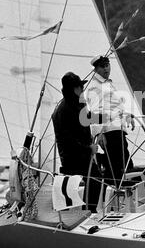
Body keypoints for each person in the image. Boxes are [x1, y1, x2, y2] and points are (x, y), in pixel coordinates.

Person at [52, 72, 103, 213]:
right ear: (75, 89)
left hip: (74, 155)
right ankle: (89, 212)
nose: (83, 90)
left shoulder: (70, 105)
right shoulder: (66, 109)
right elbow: (68, 141)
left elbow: (88, 118)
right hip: (75, 156)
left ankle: (86, 211)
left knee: (95, 178)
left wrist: (109, 117)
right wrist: (89, 149)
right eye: (81, 87)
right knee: (96, 179)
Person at [85, 56, 134, 188]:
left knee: (123, 163)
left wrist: (128, 116)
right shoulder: (94, 87)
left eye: (107, 65)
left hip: (117, 129)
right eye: (102, 66)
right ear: (96, 69)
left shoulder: (108, 83)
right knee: (117, 166)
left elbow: (116, 105)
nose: (106, 68)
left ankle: (118, 192)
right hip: (109, 132)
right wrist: (99, 134)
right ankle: (114, 195)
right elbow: (95, 112)